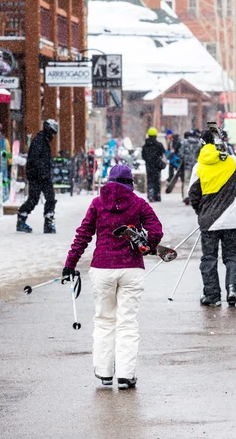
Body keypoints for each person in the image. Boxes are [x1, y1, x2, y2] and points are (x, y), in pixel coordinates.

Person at [62, 164, 163, 390]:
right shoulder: (139, 204)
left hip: (102, 268)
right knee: (127, 322)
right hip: (131, 269)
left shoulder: (98, 204)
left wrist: (70, 264)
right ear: (130, 183)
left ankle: (104, 373)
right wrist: (147, 243)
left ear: (108, 182)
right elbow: (156, 231)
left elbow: (84, 234)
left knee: (104, 320)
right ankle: (126, 376)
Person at [188, 130, 236, 307]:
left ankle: (212, 296)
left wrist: (201, 212)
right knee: (232, 256)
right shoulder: (232, 162)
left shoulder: (198, 167)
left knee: (209, 258)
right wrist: (225, 152)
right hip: (232, 219)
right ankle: (232, 288)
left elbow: (193, 194)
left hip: (209, 221)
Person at [17, 119, 58, 234]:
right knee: (33, 199)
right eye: (52, 133)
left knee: (50, 198)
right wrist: (41, 172)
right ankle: (21, 219)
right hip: (37, 176)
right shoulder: (39, 141)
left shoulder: (44, 141)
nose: (53, 136)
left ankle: (48, 222)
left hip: (43, 176)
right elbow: (34, 160)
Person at [141, 127, 165, 202]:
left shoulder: (145, 146)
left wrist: (149, 160)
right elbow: (163, 154)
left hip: (149, 166)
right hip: (157, 166)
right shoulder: (159, 145)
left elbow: (143, 156)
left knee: (150, 181)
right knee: (157, 181)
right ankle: (157, 195)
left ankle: (150, 194)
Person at [180, 129, 201, 204]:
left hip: (187, 165)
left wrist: (184, 159)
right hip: (196, 166)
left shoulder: (184, 143)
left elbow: (181, 154)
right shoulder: (199, 143)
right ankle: (194, 197)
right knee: (195, 182)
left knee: (186, 182)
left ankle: (186, 196)